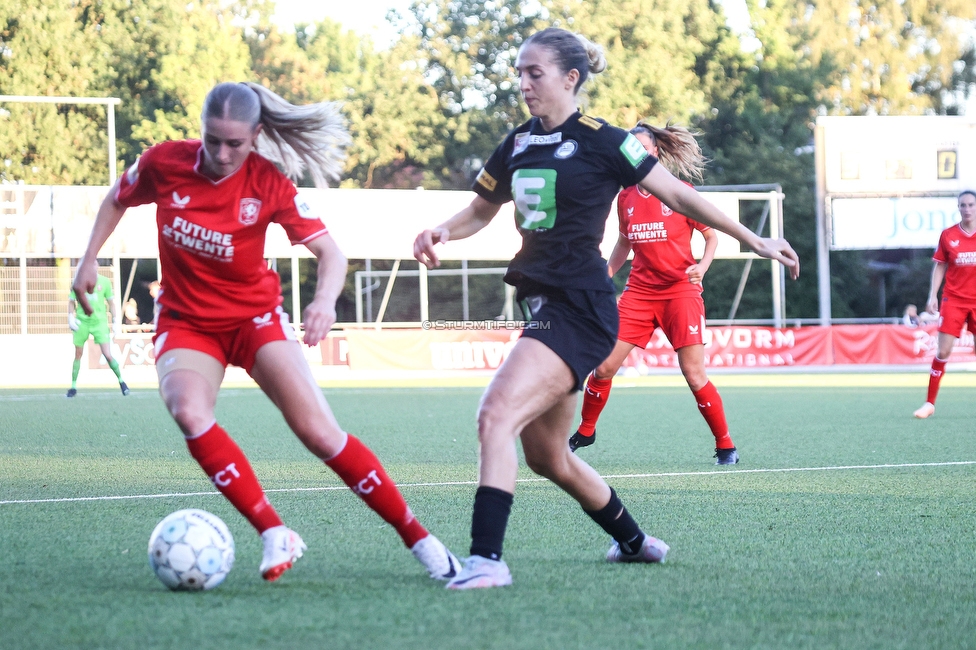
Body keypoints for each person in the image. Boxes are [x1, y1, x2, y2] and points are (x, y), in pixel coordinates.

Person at [413, 27, 799, 589]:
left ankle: (486, 562)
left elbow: (681, 196)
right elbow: (480, 210)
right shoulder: (517, 143)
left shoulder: (604, 139)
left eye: (534, 73)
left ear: (571, 78)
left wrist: (754, 239)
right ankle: (637, 543)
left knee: (494, 415)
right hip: (544, 304)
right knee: (549, 458)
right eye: (519, 73)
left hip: (580, 307)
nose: (523, 84)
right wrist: (441, 231)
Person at [72, 81, 460, 583]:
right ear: (202, 130)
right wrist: (87, 259)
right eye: (213, 140)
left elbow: (332, 253)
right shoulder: (163, 163)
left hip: (255, 320)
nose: (222, 153)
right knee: (189, 411)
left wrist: (323, 301)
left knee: (321, 435)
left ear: (256, 135)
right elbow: (116, 199)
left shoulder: (268, 182)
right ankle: (274, 532)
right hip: (187, 322)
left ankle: (421, 539)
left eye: (235, 143)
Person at [568, 122, 738, 465]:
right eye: (632, 150)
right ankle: (586, 432)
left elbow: (712, 236)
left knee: (693, 374)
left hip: (681, 293)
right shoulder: (625, 197)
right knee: (602, 368)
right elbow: (623, 242)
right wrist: (606, 274)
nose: (638, 156)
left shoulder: (680, 191)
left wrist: (702, 268)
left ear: (656, 152)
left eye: (644, 150)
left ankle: (725, 445)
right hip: (640, 294)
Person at [914, 189, 976, 419]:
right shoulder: (948, 235)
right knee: (943, 350)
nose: (967, 209)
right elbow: (940, 265)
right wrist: (932, 295)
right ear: (958, 207)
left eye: (971, 205)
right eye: (963, 205)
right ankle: (929, 403)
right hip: (954, 300)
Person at [67, 266, 129, 397]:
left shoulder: (105, 282)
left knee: (107, 354)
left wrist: (116, 320)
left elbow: (111, 302)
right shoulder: (78, 281)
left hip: (99, 322)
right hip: (82, 322)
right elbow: (71, 301)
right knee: (78, 354)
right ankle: (73, 386)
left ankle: (122, 381)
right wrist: (70, 317)